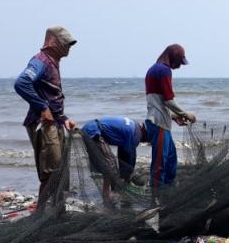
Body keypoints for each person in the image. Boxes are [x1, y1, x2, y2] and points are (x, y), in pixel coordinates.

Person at [14, 26, 77, 203]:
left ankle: (58, 211)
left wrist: (63, 118)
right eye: (66, 43)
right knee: (52, 171)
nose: (69, 47)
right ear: (52, 42)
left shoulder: (53, 62)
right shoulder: (40, 61)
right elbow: (22, 83)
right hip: (43, 124)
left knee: (61, 170)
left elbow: (50, 95)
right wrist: (42, 108)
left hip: (55, 123)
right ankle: (42, 214)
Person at [145, 44, 196, 195]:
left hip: (161, 121)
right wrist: (186, 114)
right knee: (160, 164)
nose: (179, 66)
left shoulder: (155, 69)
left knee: (171, 160)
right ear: (173, 57)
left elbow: (158, 101)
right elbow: (168, 100)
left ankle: (168, 194)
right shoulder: (163, 70)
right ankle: (156, 198)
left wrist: (173, 116)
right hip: (158, 123)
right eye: (179, 62)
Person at [80, 117, 148, 204]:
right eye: (148, 138)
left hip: (91, 129)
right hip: (94, 132)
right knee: (110, 164)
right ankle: (107, 194)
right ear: (145, 133)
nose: (146, 141)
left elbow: (123, 152)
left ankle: (110, 191)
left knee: (110, 164)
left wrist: (123, 175)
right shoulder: (136, 133)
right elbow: (130, 157)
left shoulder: (134, 125)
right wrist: (127, 176)